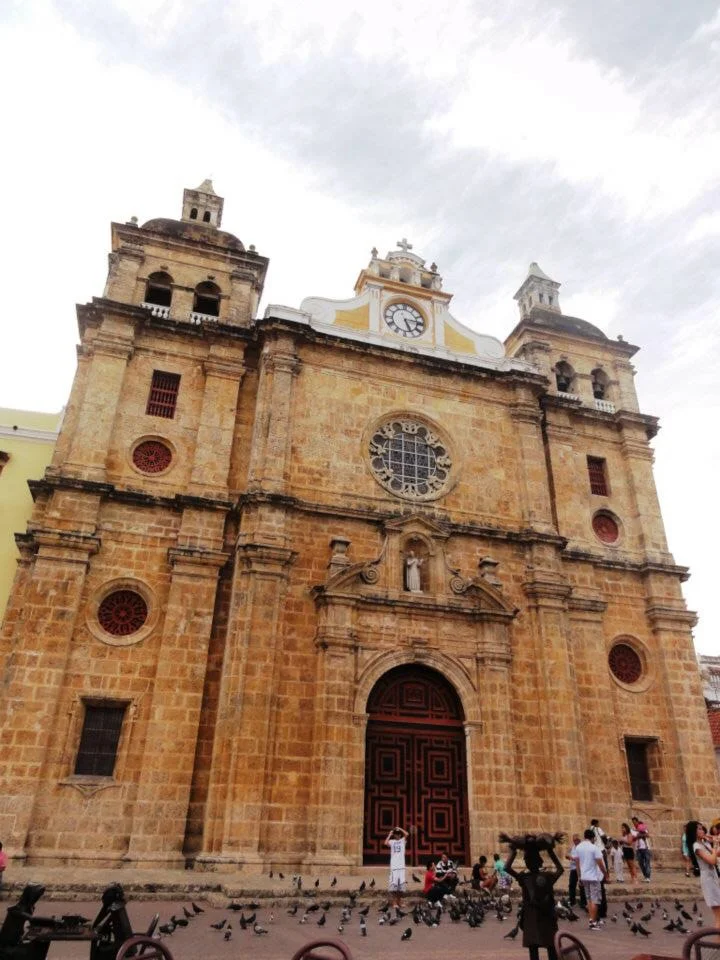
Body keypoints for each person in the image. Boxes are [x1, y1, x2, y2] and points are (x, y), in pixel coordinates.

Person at [505, 839, 564, 960]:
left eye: (527, 859)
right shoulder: (545, 876)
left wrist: (514, 851)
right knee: (550, 946)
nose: (527, 862)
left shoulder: (525, 877)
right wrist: (550, 851)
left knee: (536, 949)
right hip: (544, 915)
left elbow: (507, 868)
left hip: (533, 916)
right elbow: (560, 869)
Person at [685, 821, 720, 925]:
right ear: (693, 832)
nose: (702, 830)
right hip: (708, 880)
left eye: (702, 828)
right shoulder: (696, 846)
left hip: (713, 878)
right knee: (718, 915)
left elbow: (716, 854)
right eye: (699, 829)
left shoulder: (704, 843)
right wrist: (715, 846)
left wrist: (716, 842)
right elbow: (712, 860)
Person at [574, 828, 608, 931]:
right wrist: (606, 874)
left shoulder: (578, 847)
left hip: (584, 877)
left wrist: (579, 876)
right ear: (593, 838)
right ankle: (593, 922)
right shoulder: (594, 848)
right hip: (593, 877)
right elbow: (600, 863)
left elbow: (577, 863)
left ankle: (591, 919)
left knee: (589, 899)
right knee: (595, 900)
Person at [385, 826, 408, 908]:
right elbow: (385, 843)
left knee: (401, 886)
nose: (397, 835)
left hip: (401, 866)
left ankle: (399, 901)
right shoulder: (392, 841)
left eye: (398, 834)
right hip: (394, 867)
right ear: (394, 835)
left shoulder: (402, 841)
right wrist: (390, 834)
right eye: (396, 834)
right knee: (394, 886)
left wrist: (400, 828)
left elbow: (407, 834)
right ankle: (394, 902)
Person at [632, 816, 652, 882]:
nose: (634, 823)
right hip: (638, 848)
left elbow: (647, 835)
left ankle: (648, 877)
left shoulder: (642, 827)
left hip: (645, 847)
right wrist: (638, 836)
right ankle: (645, 876)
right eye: (633, 822)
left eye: (635, 822)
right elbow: (633, 838)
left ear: (637, 821)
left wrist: (638, 835)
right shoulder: (633, 830)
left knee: (647, 862)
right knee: (640, 863)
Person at [566, 834, 581, 906]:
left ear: (579, 840)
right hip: (573, 868)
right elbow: (569, 855)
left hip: (579, 868)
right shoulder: (573, 847)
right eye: (574, 840)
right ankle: (572, 901)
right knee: (571, 885)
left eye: (576, 840)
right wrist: (568, 857)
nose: (575, 841)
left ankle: (583, 902)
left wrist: (572, 858)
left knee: (581, 885)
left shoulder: (581, 848)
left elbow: (579, 858)